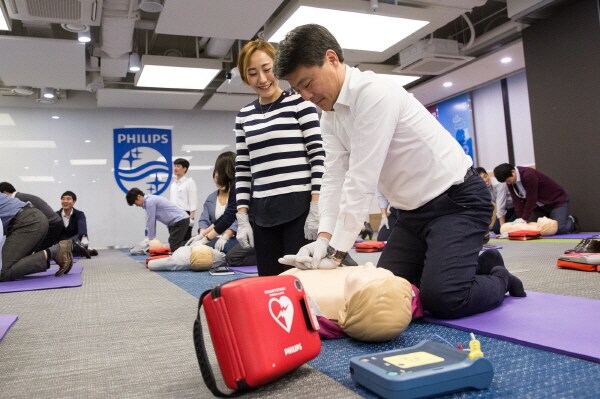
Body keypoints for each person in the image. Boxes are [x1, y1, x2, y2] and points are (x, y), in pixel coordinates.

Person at [275, 24, 525, 320]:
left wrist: (336, 253)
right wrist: (323, 239)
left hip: (457, 203)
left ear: (331, 59)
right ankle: (466, 266)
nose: (306, 95)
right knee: (385, 295)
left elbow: (360, 180)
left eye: (307, 83)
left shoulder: (374, 93)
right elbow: (333, 178)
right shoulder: (330, 117)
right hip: (410, 215)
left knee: (444, 298)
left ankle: (496, 274)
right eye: (298, 89)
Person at [233, 39, 326, 276]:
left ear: (278, 66)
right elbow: (243, 168)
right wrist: (242, 215)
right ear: (245, 77)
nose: (262, 79)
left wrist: (316, 205)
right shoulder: (243, 116)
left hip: (300, 208)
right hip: (263, 211)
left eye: (267, 69)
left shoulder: (300, 103)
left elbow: (318, 156)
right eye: (252, 73)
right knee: (269, 282)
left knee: (301, 280)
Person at [1, 193, 73, 281]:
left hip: (28, 222)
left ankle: (56, 251)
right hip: (33, 219)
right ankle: (51, 253)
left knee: (2, 271)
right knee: (13, 263)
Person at [493, 163, 578, 234]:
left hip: (556, 202)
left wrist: (524, 218)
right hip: (540, 207)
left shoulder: (528, 175)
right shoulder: (510, 182)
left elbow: (531, 198)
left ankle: (571, 221)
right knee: (534, 230)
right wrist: (520, 219)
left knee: (558, 229)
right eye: (506, 182)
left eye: (508, 180)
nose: (508, 183)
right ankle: (553, 219)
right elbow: (516, 201)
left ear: (513, 172)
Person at [196, 151, 240, 254]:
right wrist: (203, 235)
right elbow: (221, 217)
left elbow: (231, 216)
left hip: (236, 236)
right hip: (216, 234)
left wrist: (207, 239)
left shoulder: (236, 186)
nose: (218, 180)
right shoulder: (211, 198)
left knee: (229, 255)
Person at [0, 182, 64, 252]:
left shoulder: (17, 200)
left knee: (40, 251)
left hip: (51, 224)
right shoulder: (22, 196)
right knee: (41, 251)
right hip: (54, 222)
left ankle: (58, 251)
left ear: (4, 193)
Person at [125, 188, 190, 252]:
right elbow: (148, 221)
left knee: (174, 246)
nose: (137, 206)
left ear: (139, 197)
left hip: (180, 221)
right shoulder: (149, 201)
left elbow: (151, 221)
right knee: (175, 245)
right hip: (176, 222)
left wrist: (150, 240)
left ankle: (195, 242)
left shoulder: (150, 202)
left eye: (135, 203)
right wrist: (149, 239)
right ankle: (192, 242)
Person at [475, 167, 515, 234]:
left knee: (505, 228)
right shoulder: (482, 188)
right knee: (496, 229)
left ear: (487, 175)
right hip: (506, 209)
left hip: (515, 207)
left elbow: (500, 205)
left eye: (485, 176)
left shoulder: (498, 183)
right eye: (481, 180)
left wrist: (503, 229)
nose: (485, 180)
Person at [170, 158, 198, 241]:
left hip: (185, 215)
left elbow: (193, 201)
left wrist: (191, 218)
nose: (175, 168)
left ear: (185, 169)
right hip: (174, 216)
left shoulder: (189, 182)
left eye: (178, 166)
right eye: (174, 166)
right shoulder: (173, 184)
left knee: (184, 240)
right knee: (174, 241)